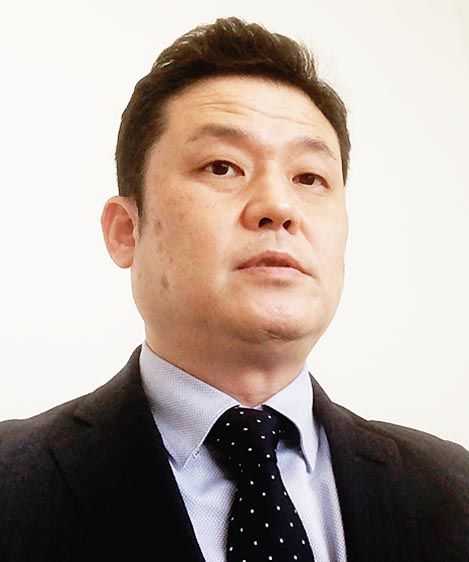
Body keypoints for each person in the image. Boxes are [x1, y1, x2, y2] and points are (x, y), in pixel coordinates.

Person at [0, 16, 467, 562]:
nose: (279, 207)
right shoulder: (13, 484)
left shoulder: (451, 489)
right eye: (223, 167)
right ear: (126, 231)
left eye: (309, 178)